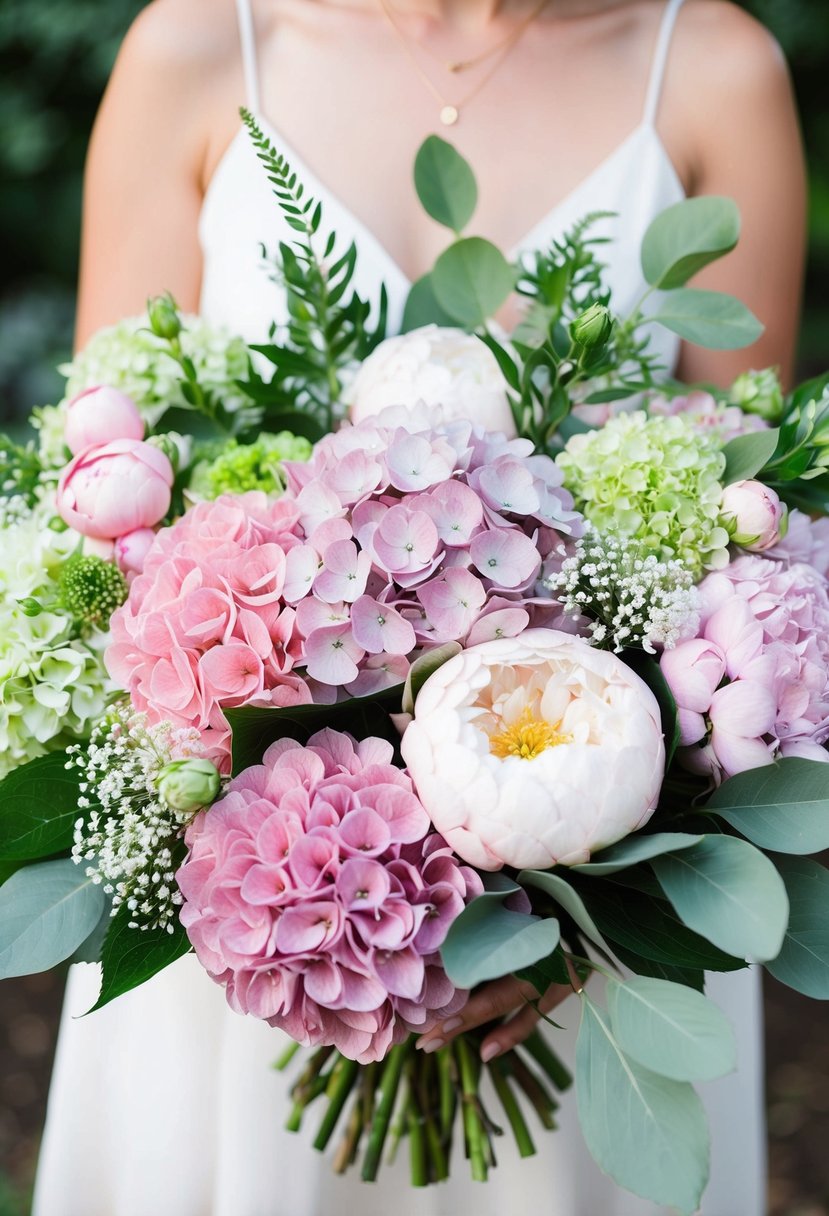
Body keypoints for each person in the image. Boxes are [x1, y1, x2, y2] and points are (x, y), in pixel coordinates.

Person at [33, 1, 806, 1213]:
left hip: (582, 947)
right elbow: (98, 516)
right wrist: (305, 916)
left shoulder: (712, 68)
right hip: (265, 920)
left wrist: (591, 923)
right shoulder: (193, 50)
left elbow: (759, 545)